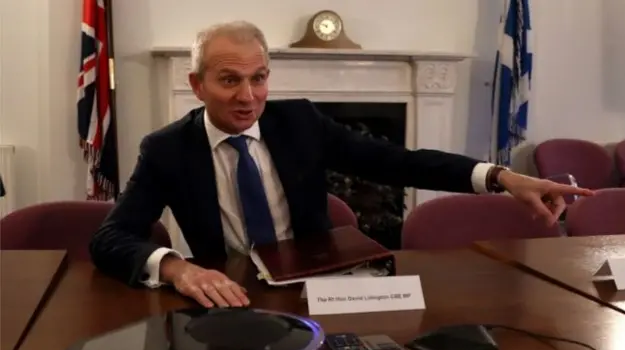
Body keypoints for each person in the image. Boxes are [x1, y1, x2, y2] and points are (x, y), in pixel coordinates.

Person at [90, 21, 593, 309]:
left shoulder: (301, 121)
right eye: (228, 81)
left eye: (259, 78)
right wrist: (177, 268)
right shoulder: (167, 149)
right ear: (197, 85)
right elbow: (111, 238)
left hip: (318, 293)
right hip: (233, 298)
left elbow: (402, 162)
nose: (248, 98)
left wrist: (502, 177)